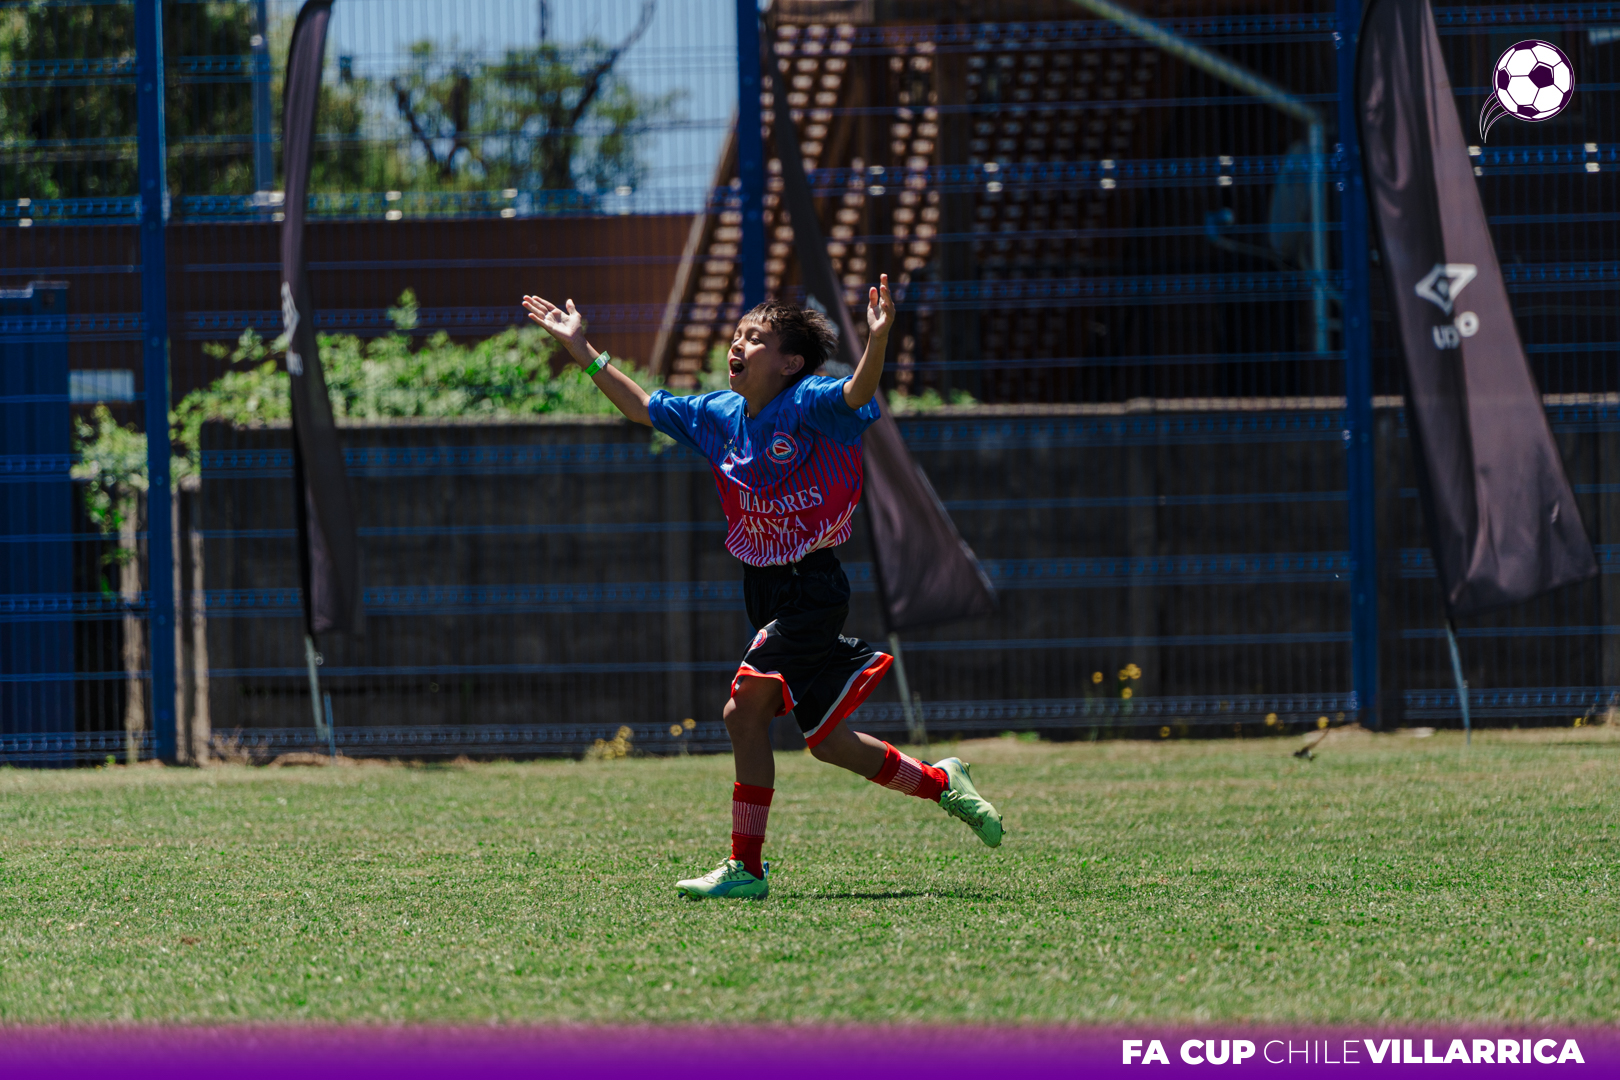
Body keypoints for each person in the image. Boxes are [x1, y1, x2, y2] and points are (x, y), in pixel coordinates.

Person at [520, 275, 1003, 900]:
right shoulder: (718, 415)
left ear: (790, 363)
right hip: (766, 591)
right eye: (738, 334)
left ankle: (745, 868)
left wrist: (878, 340)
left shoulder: (810, 402)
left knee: (741, 709)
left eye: (755, 338)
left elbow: (858, 391)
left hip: (812, 586)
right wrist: (582, 348)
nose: (737, 344)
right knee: (827, 743)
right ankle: (943, 783)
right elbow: (642, 406)